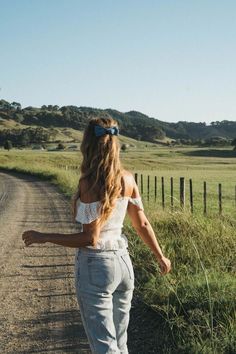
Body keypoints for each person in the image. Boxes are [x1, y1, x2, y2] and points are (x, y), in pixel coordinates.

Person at [22, 115, 171, 354]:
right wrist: (160, 256)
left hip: (97, 266)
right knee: (120, 344)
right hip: (124, 264)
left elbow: (90, 238)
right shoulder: (128, 178)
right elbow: (141, 223)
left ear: (87, 144)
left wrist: (45, 236)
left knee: (104, 347)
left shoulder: (90, 183)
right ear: (115, 143)